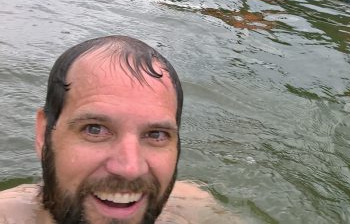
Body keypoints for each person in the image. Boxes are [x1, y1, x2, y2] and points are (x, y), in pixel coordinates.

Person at [0, 36, 238, 223]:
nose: (130, 169)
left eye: (156, 135)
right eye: (94, 129)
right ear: (43, 134)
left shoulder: (193, 209)